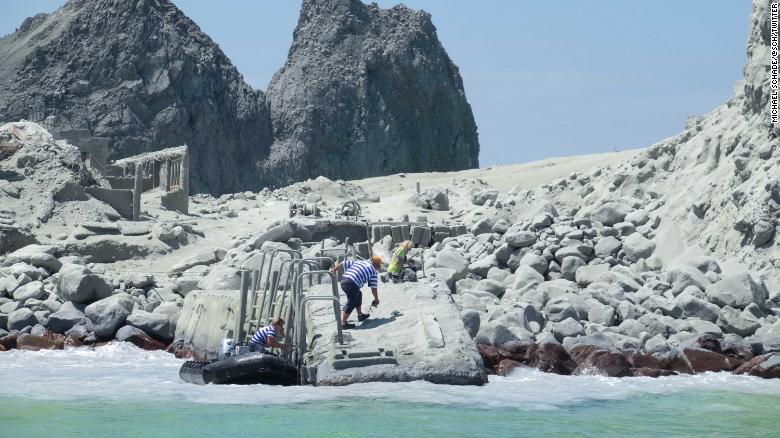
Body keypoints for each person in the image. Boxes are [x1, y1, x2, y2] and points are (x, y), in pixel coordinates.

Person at [330, 255, 381, 329]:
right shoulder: (373, 272)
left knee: (358, 294)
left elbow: (343, 263)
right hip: (352, 283)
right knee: (352, 301)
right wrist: (376, 299)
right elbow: (374, 288)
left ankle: (360, 315)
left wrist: (334, 269)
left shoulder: (360, 262)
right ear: (376, 265)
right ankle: (342, 322)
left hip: (344, 280)